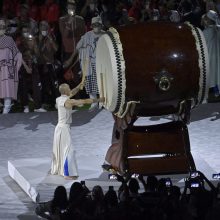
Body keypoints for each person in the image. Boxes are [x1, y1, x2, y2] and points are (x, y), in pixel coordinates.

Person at [50, 82, 104, 179]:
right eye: (68, 88)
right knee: (68, 150)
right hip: (64, 129)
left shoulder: (58, 99)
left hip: (58, 128)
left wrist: (79, 86)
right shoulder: (68, 102)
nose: (70, 89)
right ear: (66, 91)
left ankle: (59, 170)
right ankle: (67, 174)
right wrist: (99, 99)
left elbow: (72, 92)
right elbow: (84, 101)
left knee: (62, 150)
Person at [76, 16, 105, 110]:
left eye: (98, 25)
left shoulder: (105, 35)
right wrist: (86, 49)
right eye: (94, 25)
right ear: (92, 26)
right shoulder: (87, 35)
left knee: (102, 83)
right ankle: (93, 102)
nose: (96, 26)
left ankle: (102, 101)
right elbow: (78, 47)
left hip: (101, 63)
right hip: (89, 63)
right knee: (90, 83)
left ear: (101, 25)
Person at [0, 18, 22, 114]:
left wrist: (13, 68)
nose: (1, 28)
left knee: (7, 91)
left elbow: (17, 55)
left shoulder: (9, 40)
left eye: (3, 26)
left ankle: (6, 111)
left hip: (6, 70)